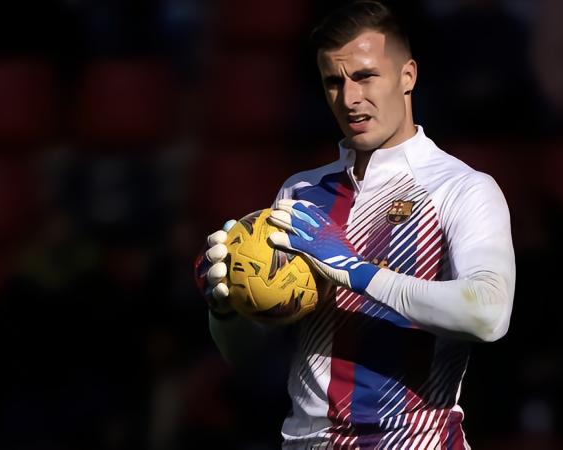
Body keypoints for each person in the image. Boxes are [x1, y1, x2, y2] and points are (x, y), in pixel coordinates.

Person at [195, 1, 516, 447]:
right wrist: (228, 309)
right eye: (334, 82)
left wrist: (355, 271)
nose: (349, 99)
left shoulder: (462, 188)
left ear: (408, 76)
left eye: (365, 76)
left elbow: (489, 315)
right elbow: (245, 356)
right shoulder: (300, 193)